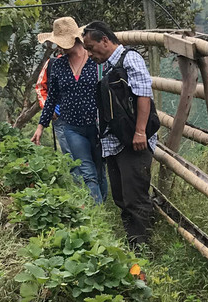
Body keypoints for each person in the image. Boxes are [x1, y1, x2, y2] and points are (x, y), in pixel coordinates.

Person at [82, 20, 155, 248]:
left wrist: (140, 132)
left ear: (105, 40)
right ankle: (133, 243)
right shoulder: (105, 65)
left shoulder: (129, 59)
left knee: (135, 198)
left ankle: (143, 248)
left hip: (133, 142)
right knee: (121, 198)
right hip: (113, 142)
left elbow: (144, 95)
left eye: (91, 48)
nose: (89, 54)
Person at [32, 17, 106, 204]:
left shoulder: (96, 61)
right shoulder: (56, 65)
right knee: (87, 172)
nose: (60, 47)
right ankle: (95, 214)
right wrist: (41, 125)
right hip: (72, 127)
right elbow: (51, 97)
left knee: (100, 171)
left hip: (97, 125)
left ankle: (102, 208)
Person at [35, 50, 66, 152]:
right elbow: (40, 87)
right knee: (70, 156)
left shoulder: (88, 60)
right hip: (59, 116)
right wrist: (49, 110)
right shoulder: (52, 63)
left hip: (86, 118)